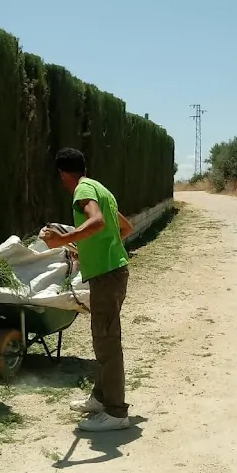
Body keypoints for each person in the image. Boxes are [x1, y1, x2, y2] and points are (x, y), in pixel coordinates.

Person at [40, 147, 135, 432]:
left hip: (107, 276)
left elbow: (97, 222)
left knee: (107, 340)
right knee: (102, 337)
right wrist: (92, 249)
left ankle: (117, 413)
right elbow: (125, 228)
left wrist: (61, 240)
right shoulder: (100, 189)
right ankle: (99, 397)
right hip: (113, 272)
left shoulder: (82, 192)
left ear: (63, 174)